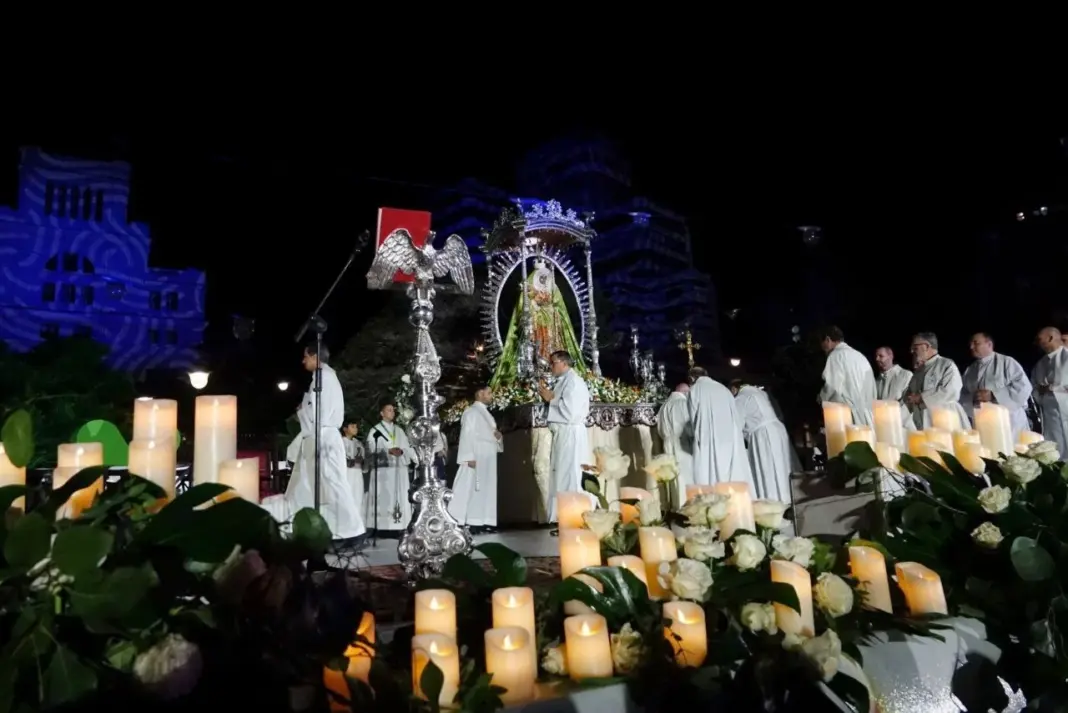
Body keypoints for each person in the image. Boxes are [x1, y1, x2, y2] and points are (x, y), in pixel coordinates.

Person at [262, 344, 365, 541]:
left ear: (315, 356)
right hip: (315, 437)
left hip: (323, 437)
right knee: (305, 484)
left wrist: (303, 409)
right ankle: (303, 529)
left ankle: (351, 530)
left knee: (332, 483)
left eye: (305, 357)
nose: (303, 361)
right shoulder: (321, 378)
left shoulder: (323, 377)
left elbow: (320, 413)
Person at [537, 350, 591, 522]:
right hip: (563, 434)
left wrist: (550, 400)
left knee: (571, 474)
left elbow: (571, 413)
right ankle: (563, 516)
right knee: (561, 474)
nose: (550, 367)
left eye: (553, 363)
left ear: (564, 363)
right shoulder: (564, 381)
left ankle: (574, 516)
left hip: (571, 433)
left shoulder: (574, 382)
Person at [730, 380, 798, 502]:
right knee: (784, 468)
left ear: (734, 389)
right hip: (779, 431)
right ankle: (792, 498)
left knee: (769, 471)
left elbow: (736, 425)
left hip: (763, 435)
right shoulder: (763, 393)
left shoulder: (741, 397)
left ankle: (776, 501)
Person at [688, 366, 752, 487]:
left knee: (712, 470)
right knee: (730, 470)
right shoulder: (723, 388)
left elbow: (693, 417)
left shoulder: (695, 389)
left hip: (709, 436)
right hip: (729, 436)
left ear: (691, 378)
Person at [451, 384, 503, 533]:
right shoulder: (471, 412)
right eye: (489, 393)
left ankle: (485, 520)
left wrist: (499, 438)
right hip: (477, 454)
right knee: (475, 488)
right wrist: (468, 456)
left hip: (488, 456)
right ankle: (473, 522)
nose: (491, 396)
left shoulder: (486, 413)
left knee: (487, 489)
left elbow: (492, 433)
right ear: (480, 394)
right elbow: (467, 434)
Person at [960, 332, 1032, 437]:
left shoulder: (1007, 362)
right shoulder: (970, 370)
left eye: (976, 343)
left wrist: (993, 395)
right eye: (970, 344)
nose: (971, 347)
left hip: (1009, 421)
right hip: (983, 421)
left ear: (989, 344)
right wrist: (973, 398)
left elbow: (1023, 386)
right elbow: (962, 393)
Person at [365, 403, 417, 532]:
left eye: (393, 410)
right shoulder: (375, 430)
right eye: (388, 410)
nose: (392, 412)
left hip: (399, 469)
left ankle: (399, 526)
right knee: (384, 497)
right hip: (384, 471)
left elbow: (407, 446)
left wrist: (406, 453)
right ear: (381, 413)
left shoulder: (399, 430)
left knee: (399, 497)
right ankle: (382, 527)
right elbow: (370, 449)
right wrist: (388, 451)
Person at [902, 332, 970, 430]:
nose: (911, 351)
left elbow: (951, 391)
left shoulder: (946, 365)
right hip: (924, 423)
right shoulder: (918, 372)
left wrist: (921, 397)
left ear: (926, 346)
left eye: (915, 347)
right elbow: (908, 398)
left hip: (947, 422)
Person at [817, 326, 877, 426]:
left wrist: (821, 398)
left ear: (828, 340)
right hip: (868, 418)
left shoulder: (835, 356)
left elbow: (832, 387)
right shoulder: (860, 356)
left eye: (822, 344)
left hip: (848, 418)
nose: (823, 350)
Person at [1031, 326, 1068, 455]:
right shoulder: (1040, 364)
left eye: (1039, 339)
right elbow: (1034, 388)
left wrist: (1053, 388)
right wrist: (1041, 392)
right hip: (1050, 416)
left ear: (1050, 338)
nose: (1037, 343)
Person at [657, 383, 694, 503]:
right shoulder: (683, 404)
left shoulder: (664, 406)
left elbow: (659, 430)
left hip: (667, 443)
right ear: (685, 393)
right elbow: (689, 426)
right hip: (682, 444)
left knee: (673, 477)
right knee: (685, 477)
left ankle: (675, 505)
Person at [342, 421, 365, 521]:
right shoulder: (340, 441)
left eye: (356, 427)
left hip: (357, 473)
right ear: (345, 429)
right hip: (346, 473)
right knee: (347, 497)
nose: (355, 429)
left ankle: (357, 523)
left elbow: (362, 458)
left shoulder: (358, 443)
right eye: (352, 426)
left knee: (358, 497)